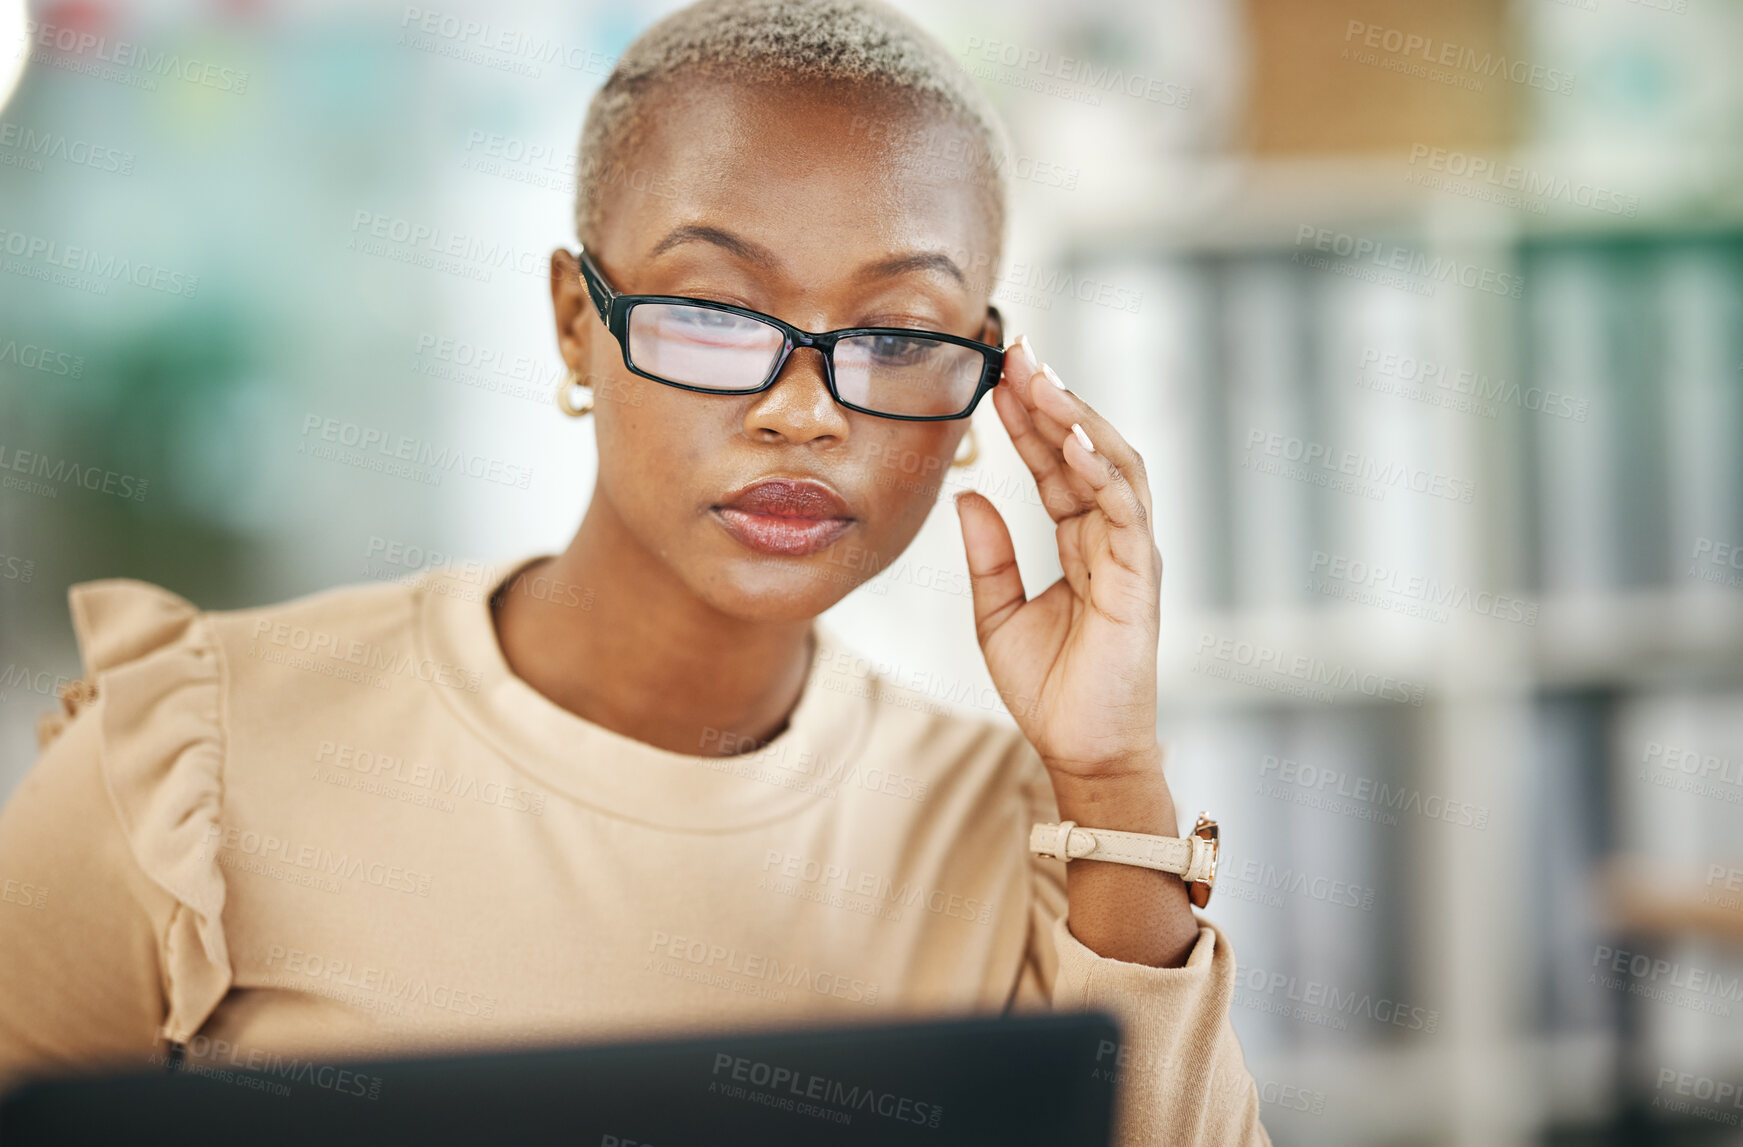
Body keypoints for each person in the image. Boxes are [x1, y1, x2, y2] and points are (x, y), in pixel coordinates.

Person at [0, 0, 1268, 1141]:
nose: (804, 411)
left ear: (983, 379)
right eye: (716, 314)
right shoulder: (195, 755)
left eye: (894, 334)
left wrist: (1113, 774)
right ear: (574, 320)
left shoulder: (1048, 843)